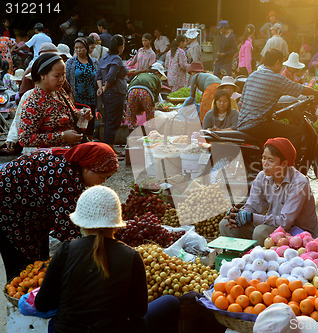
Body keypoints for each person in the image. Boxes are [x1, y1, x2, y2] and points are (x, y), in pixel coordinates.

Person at [35, 185, 180, 333]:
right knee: (171, 301)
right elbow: (139, 311)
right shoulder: (131, 257)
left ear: (82, 224)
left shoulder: (65, 251)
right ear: (115, 225)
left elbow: (41, 305)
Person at [0, 142, 118, 280]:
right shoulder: (63, 175)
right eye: (102, 177)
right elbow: (66, 227)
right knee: (22, 267)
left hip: (28, 209)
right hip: (9, 212)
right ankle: (18, 298)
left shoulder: (73, 165)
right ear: (88, 168)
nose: (103, 182)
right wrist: (90, 252)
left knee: (38, 260)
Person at [219, 138, 318, 245]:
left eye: (270, 160)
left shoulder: (299, 183)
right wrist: (239, 214)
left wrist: (250, 217)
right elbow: (252, 206)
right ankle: (240, 258)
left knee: (260, 232)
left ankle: (259, 258)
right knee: (225, 224)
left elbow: (284, 222)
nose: (265, 164)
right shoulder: (262, 176)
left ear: (284, 163)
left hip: (298, 234)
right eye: (263, 158)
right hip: (274, 227)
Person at [237, 49, 318, 149]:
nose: (282, 66)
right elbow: (301, 89)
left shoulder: (252, 76)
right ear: (277, 62)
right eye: (281, 63)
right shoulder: (277, 78)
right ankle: (288, 163)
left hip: (241, 124)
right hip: (258, 125)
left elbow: (241, 104)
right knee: (296, 132)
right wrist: (317, 93)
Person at [19, 53, 92, 149]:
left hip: (71, 149)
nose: (62, 79)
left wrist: (80, 114)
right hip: (51, 156)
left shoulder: (59, 92)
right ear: (42, 75)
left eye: (63, 74)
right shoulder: (34, 102)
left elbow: (67, 114)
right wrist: (62, 137)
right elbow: (25, 139)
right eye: (57, 76)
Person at [97, 34, 128, 155]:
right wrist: (104, 87)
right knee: (113, 121)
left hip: (107, 94)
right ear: (121, 46)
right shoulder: (117, 59)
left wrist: (101, 88)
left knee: (109, 120)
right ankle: (109, 150)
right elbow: (111, 76)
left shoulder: (104, 58)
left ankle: (109, 147)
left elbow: (98, 74)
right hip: (115, 94)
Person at [65, 37, 99, 141]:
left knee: (90, 124)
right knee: (77, 124)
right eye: (76, 48)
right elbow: (66, 80)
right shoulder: (70, 63)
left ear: (87, 48)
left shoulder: (94, 62)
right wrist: (70, 95)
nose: (79, 50)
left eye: (81, 48)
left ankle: (89, 143)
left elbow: (98, 77)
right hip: (77, 98)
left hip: (91, 98)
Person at [124, 63, 167, 129]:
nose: (160, 77)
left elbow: (130, 85)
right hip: (145, 93)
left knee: (131, 114)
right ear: (157, 72)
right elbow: (156, 94)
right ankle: (150, 132)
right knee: (150, 115)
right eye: (160, 75)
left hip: (132, 91)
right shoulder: (156, 78)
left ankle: (131, 132)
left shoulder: (141, 74)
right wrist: (154, 105)